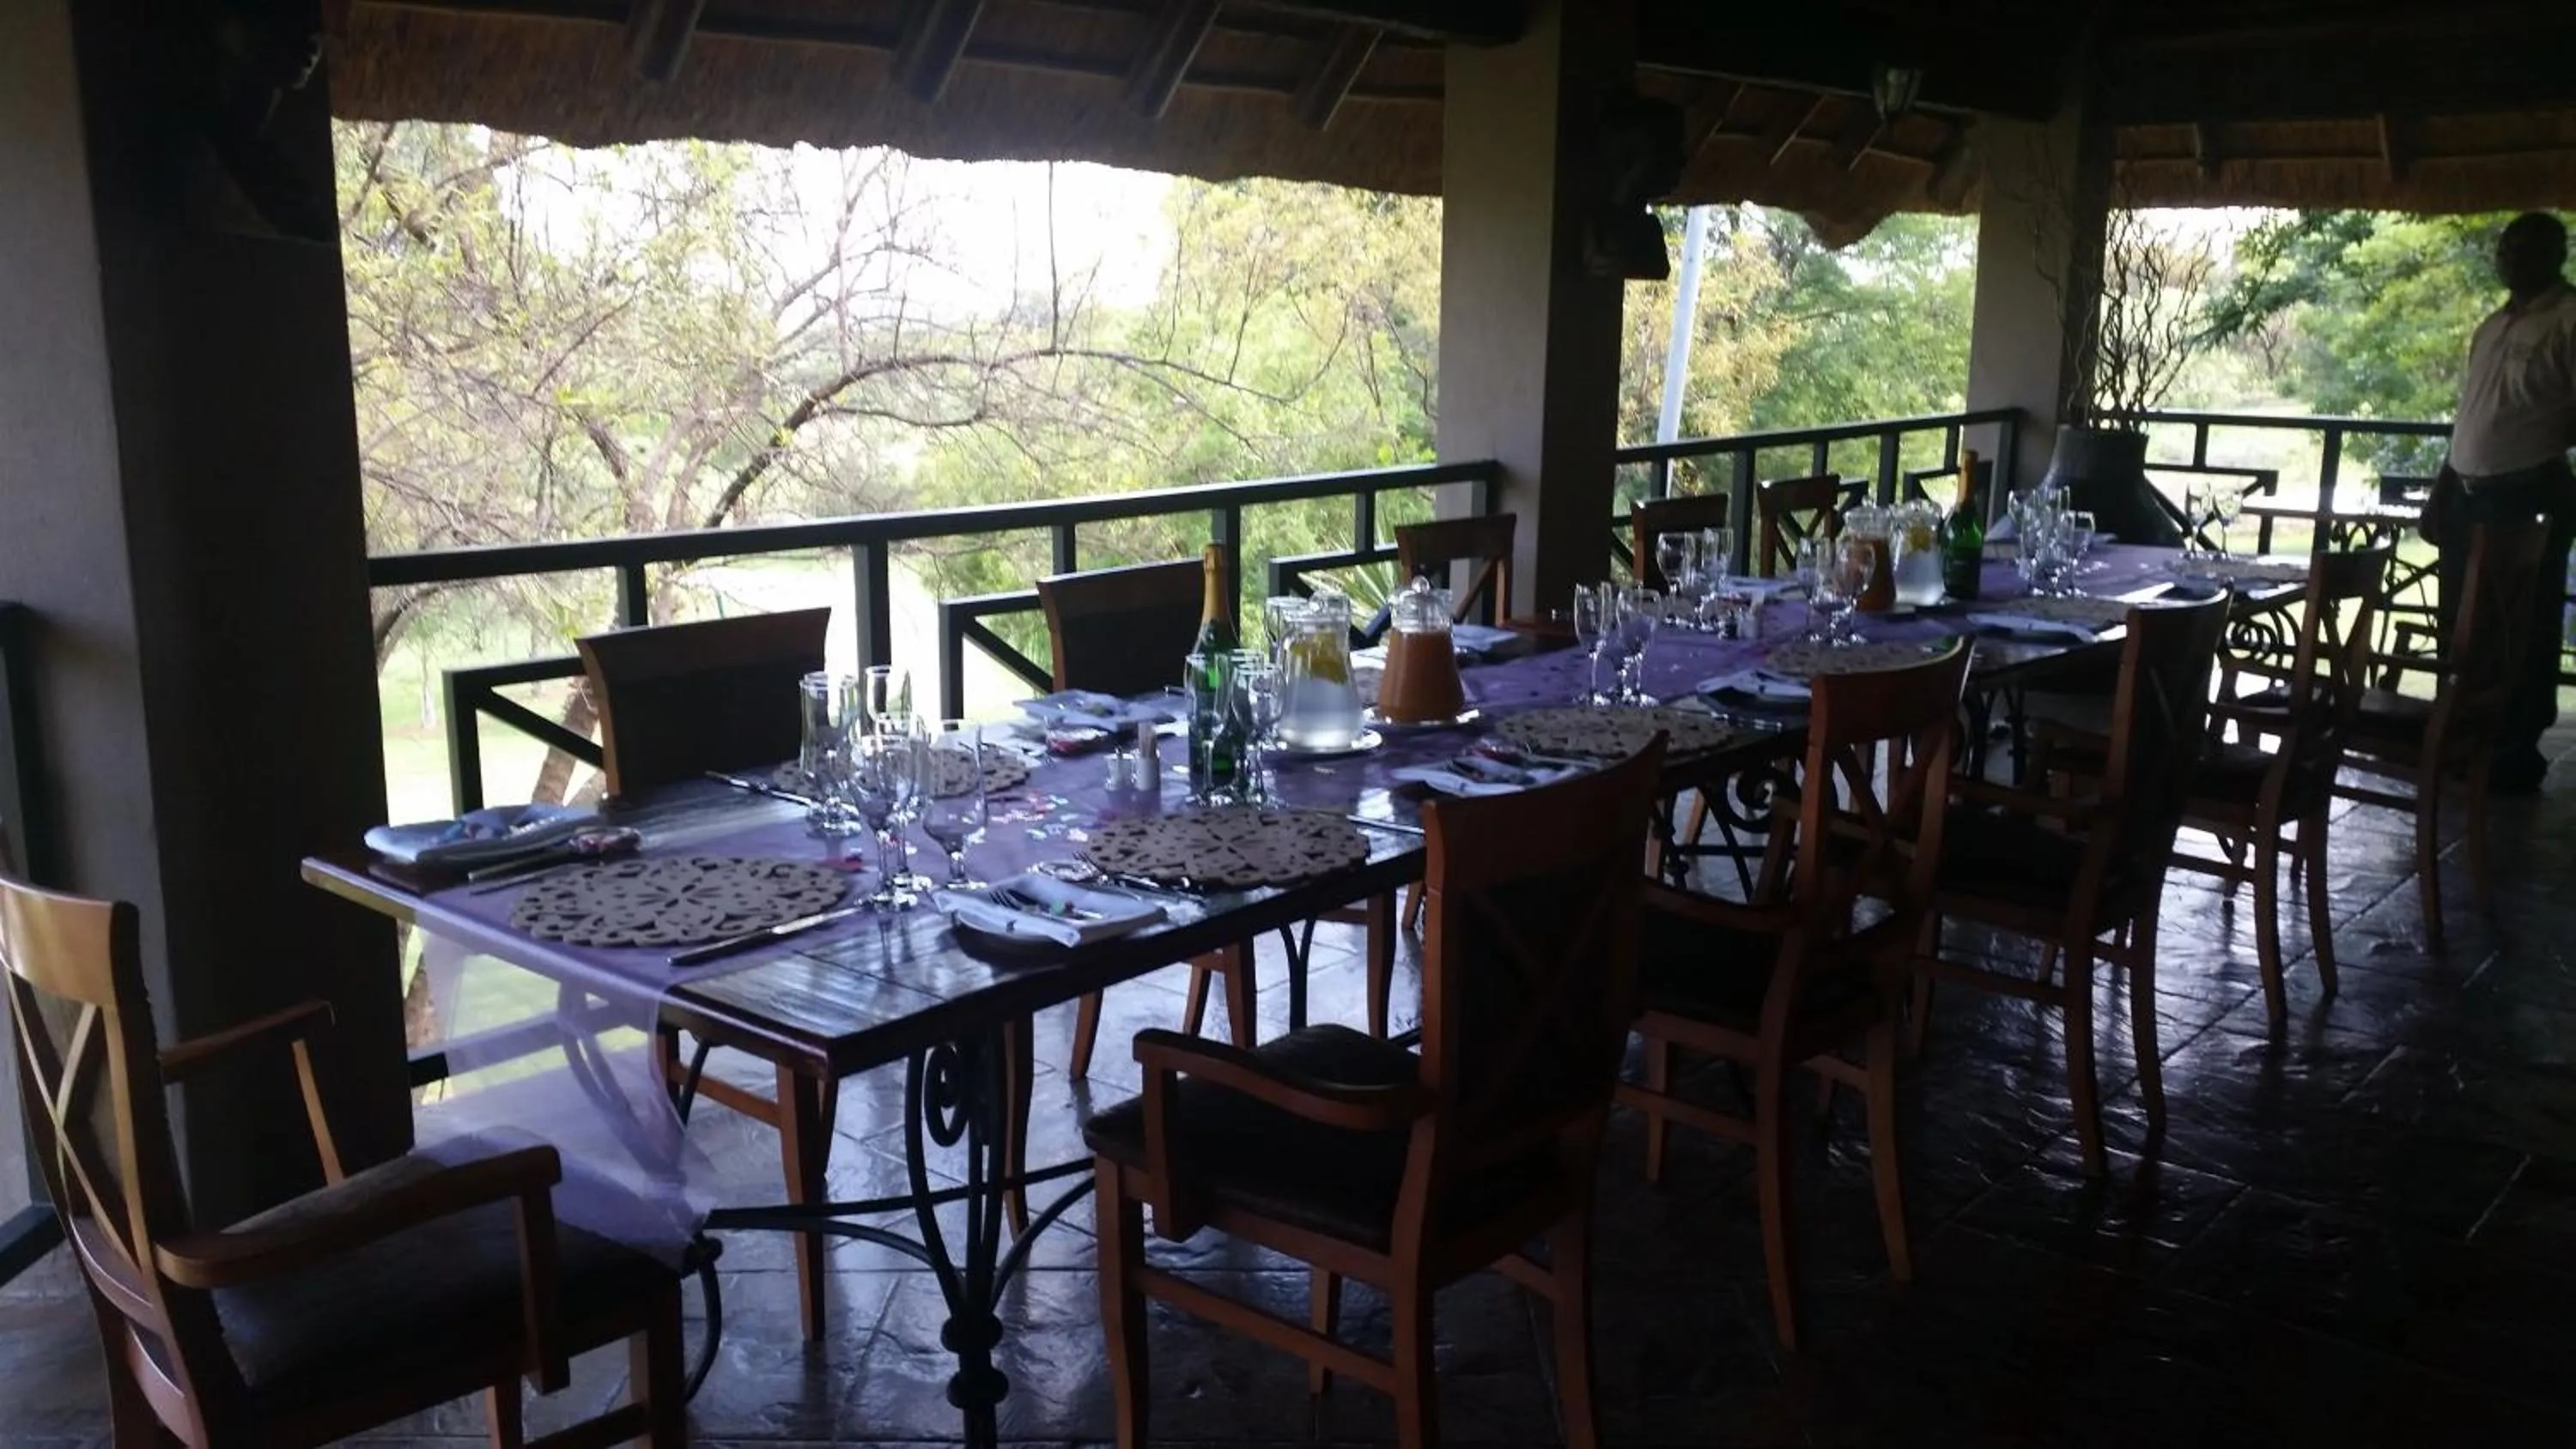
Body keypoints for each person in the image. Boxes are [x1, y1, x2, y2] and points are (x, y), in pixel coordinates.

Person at [2426, 212, 2576, 794]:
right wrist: (2443, 487)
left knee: (2525, 627)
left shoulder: (2567, 319)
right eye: (2505, 248)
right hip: (2468, 496)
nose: (2509, 257)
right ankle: (2465, 739)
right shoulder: (2493, 326)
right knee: (2465, 627)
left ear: (2555, 253)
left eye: (2524, 248)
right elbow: (2470, 412)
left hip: (2528, 492)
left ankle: (2515, 751)